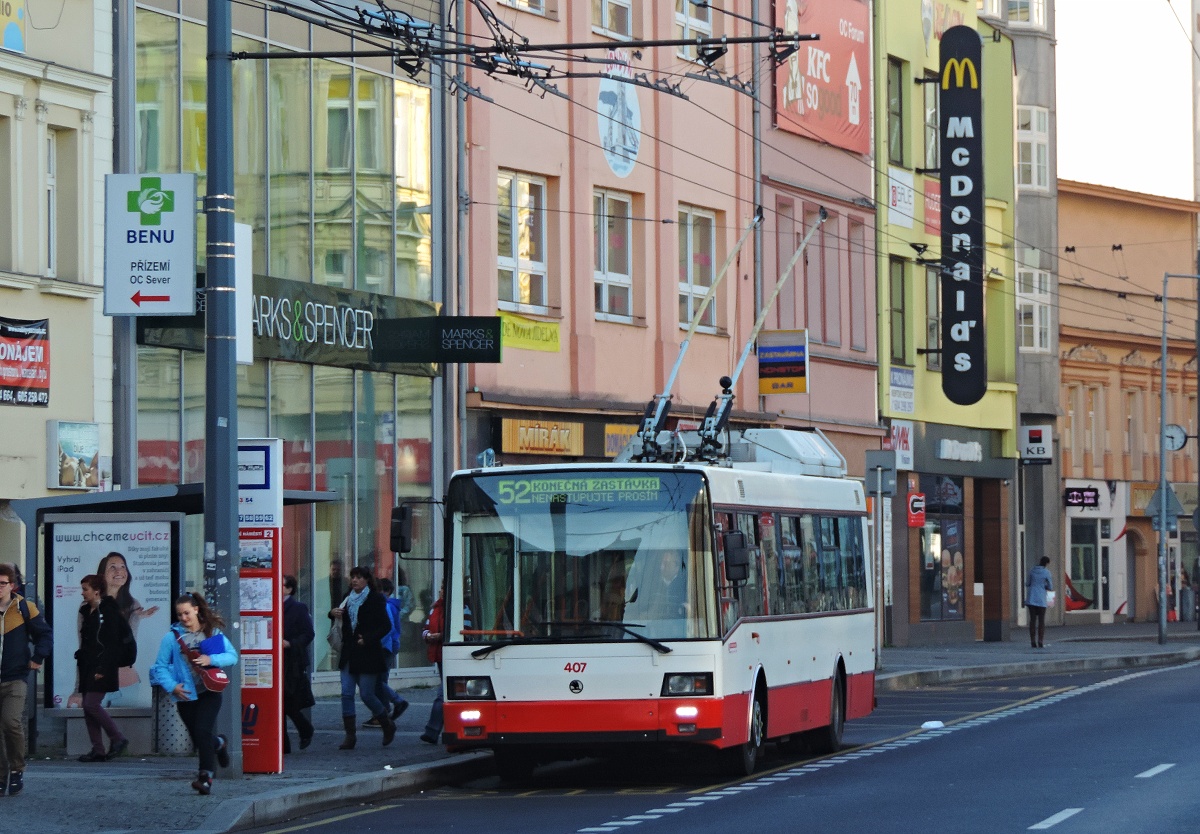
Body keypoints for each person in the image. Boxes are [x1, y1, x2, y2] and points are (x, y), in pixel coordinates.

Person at [149, 592, 239, 795]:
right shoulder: (171, 638)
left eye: (187, 613)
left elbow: (231, 656)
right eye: (180, 614)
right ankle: (219, 743)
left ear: (196, 610)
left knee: (202, 731)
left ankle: (205, 778)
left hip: (209, 691)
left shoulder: (211, 633)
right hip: (186, 694)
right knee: (199, 738)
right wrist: (172, 686)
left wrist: (211, 660)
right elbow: (159, 667)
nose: (183, 618)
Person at [329, 567, 396, 749]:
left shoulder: (375, 599)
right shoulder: (347, 597)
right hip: (349, 651)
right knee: (346, 693)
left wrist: (367, 638)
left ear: (367, 580)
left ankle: (387, 724)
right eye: (352, 577)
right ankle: (350, 736)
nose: (355, 581)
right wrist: (332, 613)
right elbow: (340, 620)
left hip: (367, 653)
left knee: (367, 694)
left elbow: (385, 626)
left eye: (358, 577)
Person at [0, 562, 51, 796]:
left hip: (15, 677)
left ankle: (17, 769)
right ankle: (1, 776)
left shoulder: (24, 608)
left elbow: (44, 634)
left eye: (2, 584)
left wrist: (37, 657)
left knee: (11, 722)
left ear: (12, 586)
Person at [72, 574, 130, 762]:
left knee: (91, 704)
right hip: (88, 665)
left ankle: (118, 737)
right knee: (87, 708)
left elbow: (111, 643)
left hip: (103, 666)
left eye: (85, 589)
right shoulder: (86, 610)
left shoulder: (109, 610)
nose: (82, 593)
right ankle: (98, 749)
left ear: (96, 590)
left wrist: (102, 669)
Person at [97, 552, 159, 693]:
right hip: (98, 683)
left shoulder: (132, 604)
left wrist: (135, 618)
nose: (119, 571)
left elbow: (128, 648)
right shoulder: (91, 605)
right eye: (112, 567)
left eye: (123, 567)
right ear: (102, 574)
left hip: (127, 684)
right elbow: (84, 648)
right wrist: (77, 689)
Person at [364, 577, 409, 730]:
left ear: (387, 591)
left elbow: (387, 629)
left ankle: (393, 704)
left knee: (378, 681)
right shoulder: (391, 605)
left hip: (385, 647)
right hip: (389, 646)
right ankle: (384, 710)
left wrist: (375, 645)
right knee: (380, 680)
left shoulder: (386, 605)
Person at [281, 575, 315, 754]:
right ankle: (283, 745)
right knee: (280, 705)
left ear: (289, 589)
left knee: (288, 703)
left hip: (292, 662)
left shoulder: (298, 608)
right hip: (274, 662)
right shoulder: (268, 605)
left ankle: (305, 729)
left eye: (281, 585)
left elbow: (308, 633)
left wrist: (290, 643)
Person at [419, 588, 445, 745]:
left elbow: (465, 629)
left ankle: (432, 731)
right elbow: (425, 628)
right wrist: (428, 636)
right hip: (439, 655)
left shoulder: (463, 607)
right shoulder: (435, 608)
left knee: (442, 695)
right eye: (441, 588)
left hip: (450, 655)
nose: (442, 591)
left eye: (444, 588)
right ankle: (435, 731)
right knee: (444, 694)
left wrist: (442, 636)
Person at [1025, 556, 1054, 649]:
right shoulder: (1046, 572)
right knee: (1041, 621)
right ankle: (1040, 641)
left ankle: (1032, 641)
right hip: (1041, 598)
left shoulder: (1032, 571)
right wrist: (1044, 585)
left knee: (1032, 620)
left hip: (1031, 597)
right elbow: (1050, 587)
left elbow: (1027, 583)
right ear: (1046, 563)